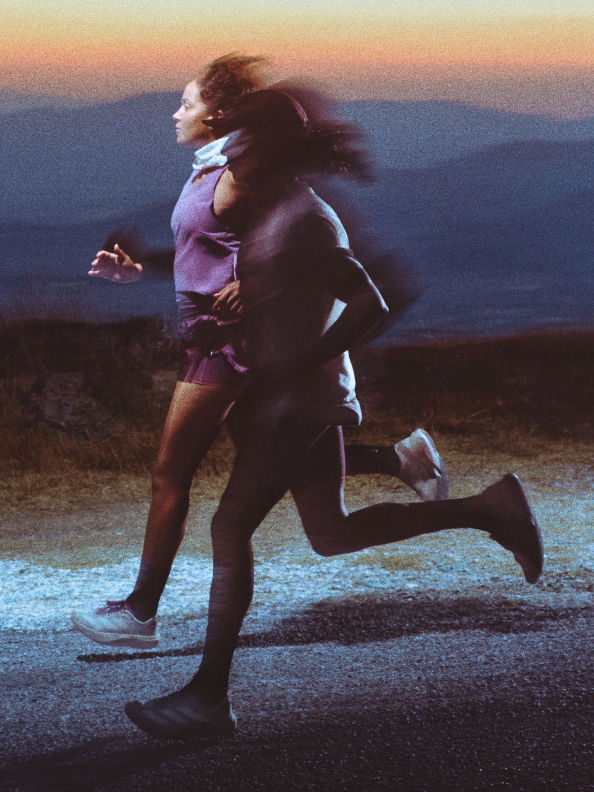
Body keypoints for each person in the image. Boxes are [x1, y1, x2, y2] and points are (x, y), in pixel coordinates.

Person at [122, 89, 544, 739]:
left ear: (264, 145)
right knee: (330, 532)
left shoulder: (303, 218)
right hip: (295, 394)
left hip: (300, 402)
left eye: (239, 137)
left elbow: (374, 300)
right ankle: (489, 509)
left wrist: (295, 366)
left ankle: (207, 700)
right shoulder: (275, 212)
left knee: (230, 530)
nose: (228, 146)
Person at [72, 59, 449, 651]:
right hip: (213, 340)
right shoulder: (212, 171)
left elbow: (309, 252)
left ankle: (143, 614)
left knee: (172, 473)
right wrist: (141, 268)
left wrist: (260, 286)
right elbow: (207, 250)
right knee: (312, 501)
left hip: (229, 349)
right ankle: (407, 462)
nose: (176, 113)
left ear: (219, 115)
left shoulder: (253, 178)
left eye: (186, 103)